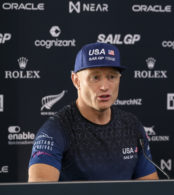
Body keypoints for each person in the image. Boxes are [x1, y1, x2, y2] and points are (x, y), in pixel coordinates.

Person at [28, 42, 159, 182]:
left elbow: (150, 189)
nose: (104, 87)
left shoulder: (131, 125)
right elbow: (39, 193)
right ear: (76, 81)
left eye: (112, 77)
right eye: (95, 77)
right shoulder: (55, 130)